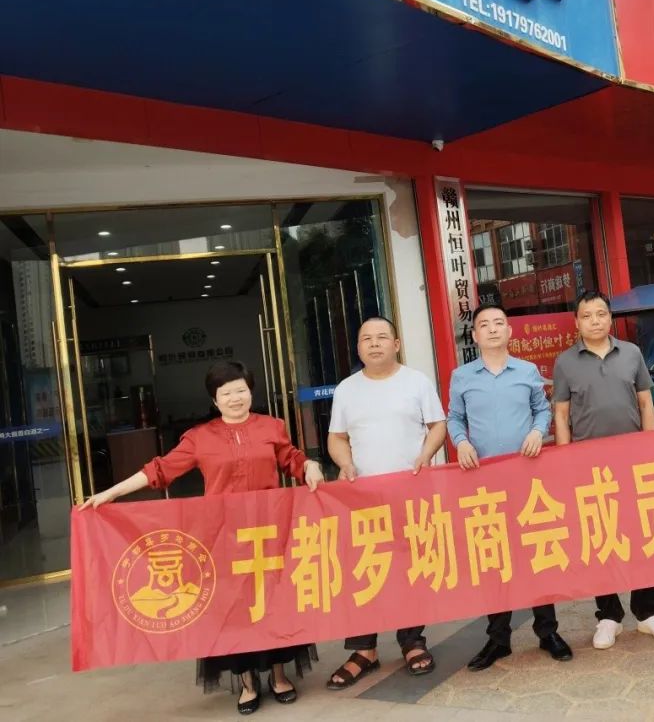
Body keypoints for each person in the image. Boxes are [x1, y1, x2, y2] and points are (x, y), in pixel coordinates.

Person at [80, 360, 325, 716]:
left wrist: (310, 465)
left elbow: (291, 459)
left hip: (268, 533)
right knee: (234, 610)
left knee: (274, 603)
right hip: (223, 538)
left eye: (241, 390)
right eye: (226, 393)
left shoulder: (272, 426)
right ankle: (247, 682)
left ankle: (278, 674)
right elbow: (160, 470)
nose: (235, 398)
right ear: (215, 400)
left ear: (251, 392)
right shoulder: (200, 438)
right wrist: (111, 493)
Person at [448, 303, 574, 670]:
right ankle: (498, 639)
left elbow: (543, 409)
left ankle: (547, 631)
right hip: (483, 483)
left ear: (509, 331)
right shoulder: (462, 376)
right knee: (494, 557)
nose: (492, 329)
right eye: (484, 325)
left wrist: (537, 431)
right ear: (474, 335)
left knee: (537, 553)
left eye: (498, 323)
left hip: (526, 478)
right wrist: (461, 442)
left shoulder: (528, 371)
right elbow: (454, 417)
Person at [553, 291, 654, 650]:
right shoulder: (565, 362)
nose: (595, 321)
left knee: (642, 535)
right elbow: (561, 414)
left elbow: (645, 403)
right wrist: (565, 462)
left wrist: (651, 450)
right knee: (600, 538)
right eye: (587, 315)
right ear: (576, 322)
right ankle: (608, 615)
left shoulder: (632, 353)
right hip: (588, 468)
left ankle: (648, 611)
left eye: (601, 314)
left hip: (634, 462)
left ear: (610, 318)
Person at [325, 316, 447, 687]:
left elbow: (437, 426)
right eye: (367, 338)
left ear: (396, 344)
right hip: (362, 497)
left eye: (382, 337)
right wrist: (345, 463)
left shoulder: (416, 381)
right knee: (364, 567)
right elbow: (337, 437)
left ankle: (412, 642)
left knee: (409, 567)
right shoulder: (347, 389)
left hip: (410, 493)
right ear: (358, 347)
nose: (374, 343)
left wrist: (425, 455)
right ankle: (364, 650)